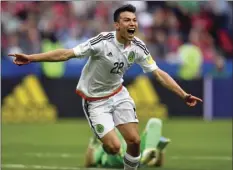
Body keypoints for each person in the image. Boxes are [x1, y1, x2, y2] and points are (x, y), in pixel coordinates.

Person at [9, 4, 202, 170]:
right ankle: (98, 144)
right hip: (94, 101)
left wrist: (183, 94)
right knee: (114, 147)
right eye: (126, 20)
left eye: (134, 20)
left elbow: (158, 73)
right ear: (117, 25)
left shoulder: (138, 47)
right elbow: (66, 54)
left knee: (134, 141)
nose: (132, 23)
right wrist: (31, 58)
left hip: (118, 94)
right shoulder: (102, 42)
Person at [85, 118, 171, 168]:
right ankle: (140, 160)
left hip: (136, 152)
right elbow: (90, 162)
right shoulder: (106, 139)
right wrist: (93, 142)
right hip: (115, 158)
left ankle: (149, 151)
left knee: (155, 121)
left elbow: (158, 164)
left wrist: (159, 150)